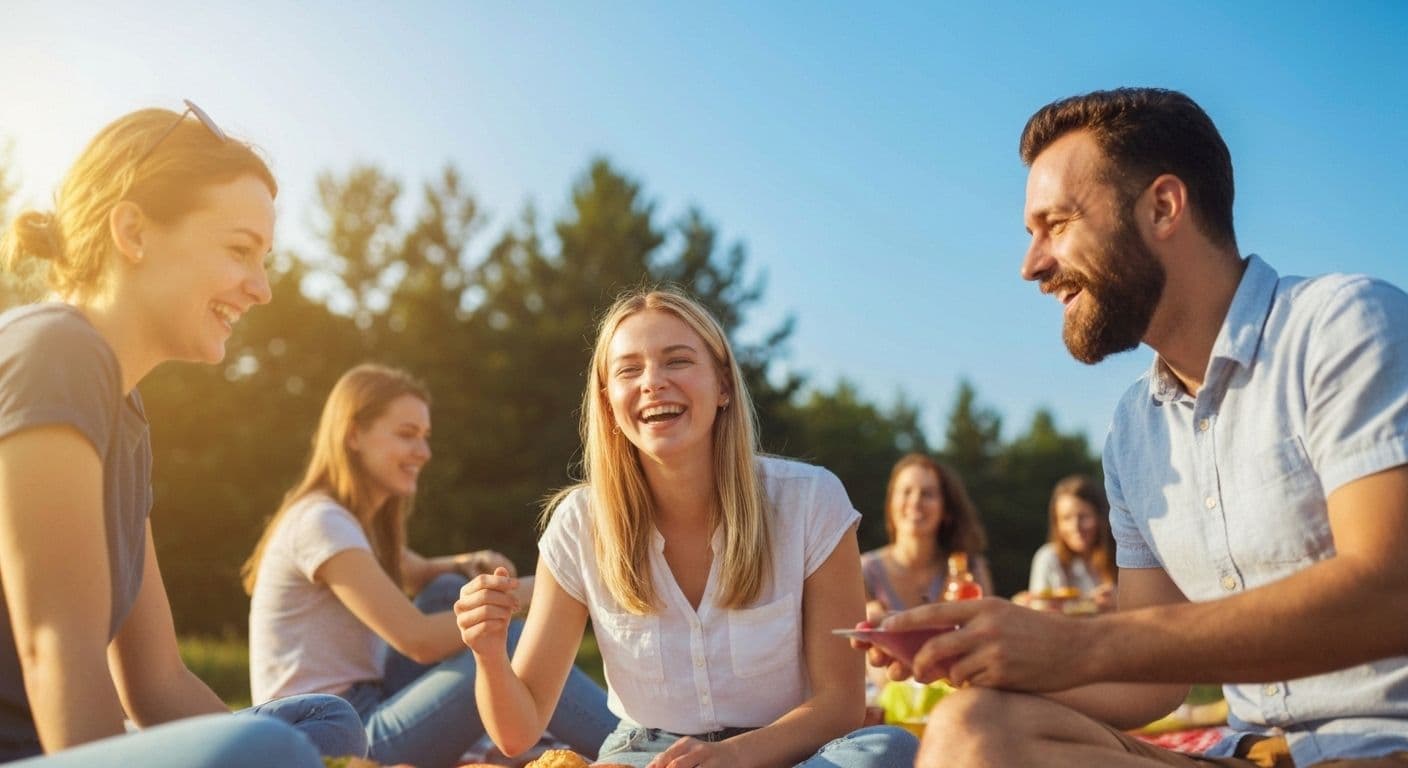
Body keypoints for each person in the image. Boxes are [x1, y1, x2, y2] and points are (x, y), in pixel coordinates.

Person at [872, 87, 1408, 767]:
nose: (1031, 265)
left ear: (1162, 207)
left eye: (1056, 223)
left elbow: (1392, 590)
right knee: (976, 725)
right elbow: (1151, 677)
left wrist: (1082, 644)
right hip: (1251, 751)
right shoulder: (1133, 428)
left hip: (1386, 745)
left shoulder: (1344, 326)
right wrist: (988, 657)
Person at [0, 102, 365, 766]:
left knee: (325, 724)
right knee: (271, 749)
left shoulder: (125, 413)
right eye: (239, 250)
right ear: (133, 231)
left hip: (62, 746)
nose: (261, 289)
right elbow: (54, 647)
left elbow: (157, 685)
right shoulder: (55, 352)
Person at [455, 288, 918, 768]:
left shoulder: (810, 500)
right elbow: (517, 732)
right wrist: (488, 651)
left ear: (723, 386)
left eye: (676, 361)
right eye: (629, 370)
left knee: (889, 748)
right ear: (609, 403)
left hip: (784, 751)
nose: (652, 382)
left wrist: (733, 757)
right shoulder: (577, 525)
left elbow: (840, 705)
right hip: (646, 756)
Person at [243, 363, 617, 768]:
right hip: (334, 734)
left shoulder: (352, 526)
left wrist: (463, 562)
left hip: (368, 703)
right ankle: (632, 742)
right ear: (353, 435)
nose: (423, 452)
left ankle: (537, 733)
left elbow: (417, 572)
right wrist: (561, 582)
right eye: (406, 435)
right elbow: (417, 640)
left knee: (446, 590)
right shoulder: (320, 522)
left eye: (424, 437)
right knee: (504, 640)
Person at [861, 453, 993, 615]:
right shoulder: (864, 571)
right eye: (906, 492)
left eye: (927, 494)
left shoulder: (970, 569)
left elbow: (987, 633)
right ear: (890, 503)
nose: (916, 501)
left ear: (947, 510)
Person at [1022, 474, 1115, 611]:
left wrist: (1120, 602)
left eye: (1084, 517)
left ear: (1101, 517)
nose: (1075, 527)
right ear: (1056, 523)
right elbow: (1038, 613)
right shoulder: (1048, 557)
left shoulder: (1120, 556)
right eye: (1066, 518)